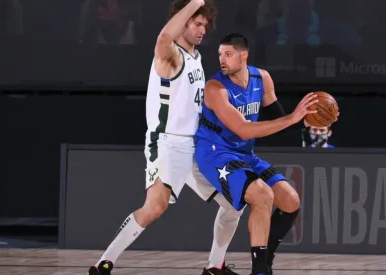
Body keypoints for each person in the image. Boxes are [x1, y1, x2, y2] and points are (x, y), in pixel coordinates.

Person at [87, 0, 217, 274]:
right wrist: (194, 2)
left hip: (194, 146)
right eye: (197, 23)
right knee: (155, 206)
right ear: (182, 22)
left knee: (232, 201)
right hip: (167, 143)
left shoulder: (196, 57)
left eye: (205, 25)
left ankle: (215, 266)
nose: (202, 30)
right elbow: (162, 38)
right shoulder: (170, 55)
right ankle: (103, 264)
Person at [194, 33, 319, 275]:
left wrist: (305, 119)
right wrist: (291, 118)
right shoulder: (215, 87)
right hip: (215, 153)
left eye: (228, 54)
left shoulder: (262, 78)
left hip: (244, 153)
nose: (222, 59)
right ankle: (260, 271)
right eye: (220, 54)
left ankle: (265, 263)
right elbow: (242, 129)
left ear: (244, 55)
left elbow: (279, 121)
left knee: (290, 201)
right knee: (262, 195)